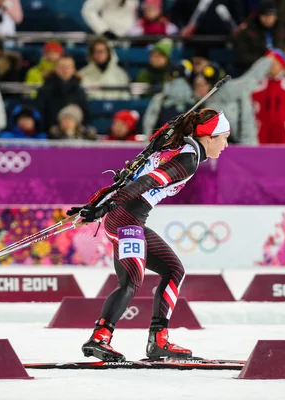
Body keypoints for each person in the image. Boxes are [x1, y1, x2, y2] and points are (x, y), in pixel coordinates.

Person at [67, 107, 231, 362]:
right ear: (209, 137)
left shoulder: (179, 143)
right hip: (126, 219)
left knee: (173, 270)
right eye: (224, 137)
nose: (226, 145)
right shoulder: (188, 159)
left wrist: (103, 203)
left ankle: (159, 340)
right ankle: (99, 338)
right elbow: (147, 182)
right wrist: (106, 205)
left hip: (130, 217)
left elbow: (135, 171)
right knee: (131, 282)